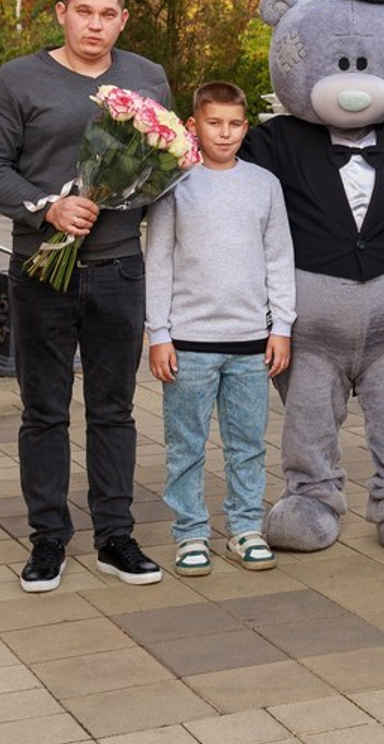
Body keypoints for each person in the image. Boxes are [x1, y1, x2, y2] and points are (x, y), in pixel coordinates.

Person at [0, 0, 171, 592]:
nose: (94, 24)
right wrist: (45, 207)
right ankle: (48, 539)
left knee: (114, 410)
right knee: (44, 411)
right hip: (40, 270)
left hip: (118, 268)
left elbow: (164, 167)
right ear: (61, 13)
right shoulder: (18, 80)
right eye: (83, 11)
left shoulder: (146, 79)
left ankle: (115, 536)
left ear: (123, 20)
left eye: (107, 14)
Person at [145, 81, 296, 577]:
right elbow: (159, 261)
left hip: (251, 342)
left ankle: (246, 527)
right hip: (188, 343)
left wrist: (282, 327)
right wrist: (159, 333)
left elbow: (279, 258)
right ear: (194, 126)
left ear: (245, 126)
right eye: (214, 123)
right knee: (186, 444)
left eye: (234, 124)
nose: (225, 134)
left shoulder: (263, 185)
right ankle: (190, 532)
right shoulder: (175, 184)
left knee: (248, 442)